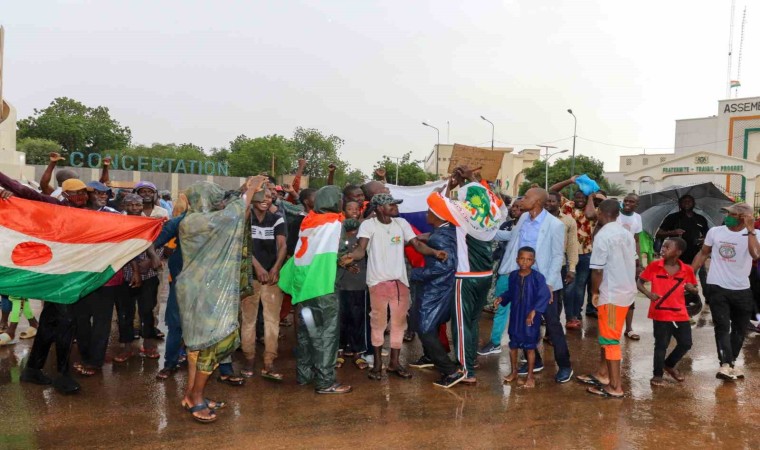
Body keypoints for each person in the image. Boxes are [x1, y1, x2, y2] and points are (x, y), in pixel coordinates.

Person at [178, 177, 264, 423]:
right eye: (214, 199)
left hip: (203, 289)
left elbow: (233, 212)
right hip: (203, 292)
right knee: (216, 341)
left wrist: (244, 191)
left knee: (197, 347)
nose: (218, 203)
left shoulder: (200, 220)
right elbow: (231, 216)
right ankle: (196, 397)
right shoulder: (195, 222)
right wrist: (248, 191)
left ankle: (190, 395)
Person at [0, 174, 90, 394]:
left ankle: (32, 369)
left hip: (67, 276)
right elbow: (26, 192)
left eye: (83, 192)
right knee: (67, 324)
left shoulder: (88, 212)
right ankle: (62, 375)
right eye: (75, 192)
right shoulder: (55, 206)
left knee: (49, 325)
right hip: (57, 277)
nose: (80, 196)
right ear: (65, 194)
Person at [344, 193, 447, 380]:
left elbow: (416, 244)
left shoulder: (401, 224)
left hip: (400, 283)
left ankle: (394, 363)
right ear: (379, 208)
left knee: (399, 324)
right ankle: (377, 365)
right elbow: (361, 249)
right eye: (391, 204)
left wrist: (434, 252)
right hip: (377, 283)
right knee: (378, 324)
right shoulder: (369, 225)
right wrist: (351, 257)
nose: (395, 207)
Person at [490, 188, 574, 383]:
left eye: (527, 197)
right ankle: (534, 361)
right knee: (523, 320)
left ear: (537, 201)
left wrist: (549, 285)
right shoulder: (523, 219)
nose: (522, 200)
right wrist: (487, 232)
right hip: (522, 279)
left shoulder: (554, 225)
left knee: (552, 325)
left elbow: (556, 256)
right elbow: (512, 238)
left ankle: (565, 366)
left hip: (543, 282)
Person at [282, 185, 353, 394]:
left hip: (304, 288)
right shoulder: (334, 225)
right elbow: (340, 254)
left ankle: (304, 374)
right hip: (323, 288)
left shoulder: (308, 222)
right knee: (326, 335)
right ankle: (325, 381)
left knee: (307, 332)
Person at [691, 202, 760, 381]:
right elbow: (703, 253)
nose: (727, 217)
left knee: (739, 328)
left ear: (743, 218)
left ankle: (731, 362)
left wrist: (751, 230)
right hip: (717, 287)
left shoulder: (756, 234)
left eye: (731, 214)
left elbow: (755, 255)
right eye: (727, 213)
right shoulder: (715, 232)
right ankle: (725, 364)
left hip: (742, 289)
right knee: (722, 326)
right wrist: (688, 274)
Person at [577, 200, 637, 398]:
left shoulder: (604, 235)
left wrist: (595, 292)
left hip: (611, 296)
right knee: (607, 336)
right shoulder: (626, 233)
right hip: (625, 292)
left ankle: (615, 387)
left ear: (601, 212)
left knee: (610, 341)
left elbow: (597, 269)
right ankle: (603, 374)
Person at [410, 195, 463, 388]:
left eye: (429, 211)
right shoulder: (445, 231)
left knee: (424, 328)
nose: (426, 213)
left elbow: (446, 266)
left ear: (438, 215)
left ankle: (450, 370)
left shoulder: (441, 237)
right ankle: (436, 359)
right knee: (426, 326)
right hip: (440, 287)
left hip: (437, 288)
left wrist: (414, 274)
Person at [637, 237, 697, 386]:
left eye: (667, 247)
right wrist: (648, 294)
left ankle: (669, 364)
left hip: (680, 313)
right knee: (661, 344)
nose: (662, 249)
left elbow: (694, 288)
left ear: (678, 252)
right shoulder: (654, 266)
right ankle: (657, 374)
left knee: (686, 343)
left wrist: (692, 289)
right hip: (660, 313)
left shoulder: (687, 270)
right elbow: (640, 282)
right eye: (663, 246)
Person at [241, 188, 287, 380]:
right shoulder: (245, 218)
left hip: (272, 277)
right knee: (248, 320)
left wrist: (275, 268)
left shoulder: (276, 218)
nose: (266, 199)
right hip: (251, 276)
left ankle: (269, 362)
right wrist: (258, 268)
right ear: (252, 198)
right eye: (262, 196)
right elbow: (243, 246)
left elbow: (282, 245)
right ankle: (249, 359)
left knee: (272, 320)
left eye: (269, 196)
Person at [498, 247, 551, 388]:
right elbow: (511, 292)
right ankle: (514, 371)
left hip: (530, 318)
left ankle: (530, 376)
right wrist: (501, 298)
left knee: (530, 347)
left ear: (533, 261)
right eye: (522, 258)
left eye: (528, 259)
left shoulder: (538, 278)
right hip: (516, 315)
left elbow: (544, 295)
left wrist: (535, 311)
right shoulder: (514, 275)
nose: (524, 262)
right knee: (513, 344)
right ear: (517, 259)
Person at [549, 176, 598, 328]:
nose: (579, 199)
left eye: (582, 197)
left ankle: (575, 315)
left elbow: (589, 216)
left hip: (585, 255)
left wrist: (590, 196)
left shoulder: (594, 210)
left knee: (580, 287)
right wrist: (570, 181)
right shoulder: (567, 206)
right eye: (577, 197)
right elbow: (552, 190)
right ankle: (570, 316)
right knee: (568, 288)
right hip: (568, 254)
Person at [656, 194, 710, 306]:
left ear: (693, 203)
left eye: (689, 201)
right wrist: (673, 232)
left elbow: (708, 236)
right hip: (676, 256)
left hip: (697, 255)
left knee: (699, 278)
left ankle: (699, 300)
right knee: (676, 279)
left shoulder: (700, 218)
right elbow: (659, 234)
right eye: (684, 201)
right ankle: (676, 300)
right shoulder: (673, 218)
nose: (687, 203)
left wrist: (703, 240)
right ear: (680, 204)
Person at [337, 217, 370, 370]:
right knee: (340, 320)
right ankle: (339, 352)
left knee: (358, 320)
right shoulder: (337, 238)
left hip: (359, 286)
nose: (353, 214)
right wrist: (345, 266)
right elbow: (333, 257)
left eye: (356, 210)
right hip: (341, 285)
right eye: (349, 210)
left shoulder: (364, 239)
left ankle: (358, 353)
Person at [545, 191, 578, 322]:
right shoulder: (537, 218)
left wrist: (572, 268)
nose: (549, 203)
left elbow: (572, 246)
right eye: (547, 201)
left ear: (559, 204)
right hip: (538, 263)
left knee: (557, 298)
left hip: (559, 265)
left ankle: (551, 330)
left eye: (552, 201)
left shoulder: (568, 221)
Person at [617, 193, 644, 341]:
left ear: (636, 204)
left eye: (631, 201)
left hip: (630, 260)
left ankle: (629, 328)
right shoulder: (615, 215)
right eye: (625, 200)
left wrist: (638, 261)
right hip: (614, 260)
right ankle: (612, 327)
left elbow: (637, 240)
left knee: (630, 294)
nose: (627, 203)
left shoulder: (637, 218)